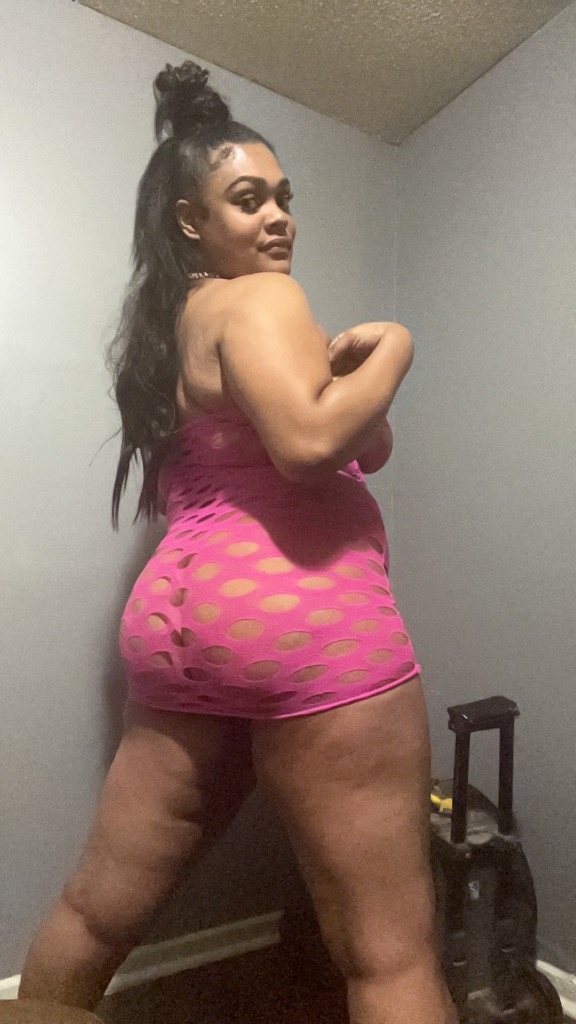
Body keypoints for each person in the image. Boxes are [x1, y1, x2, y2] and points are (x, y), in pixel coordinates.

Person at [19, 62, 457, 1024]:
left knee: (95, 914)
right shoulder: (259, 301)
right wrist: (398, 346)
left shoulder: (171, 327)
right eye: (249, 199)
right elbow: (308, 447)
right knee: (389, 956)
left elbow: (353, 444)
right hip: (305, 620)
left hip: (179, 631)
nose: (278, 219)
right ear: (192, 221)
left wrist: (342, 376)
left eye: (285, 199)